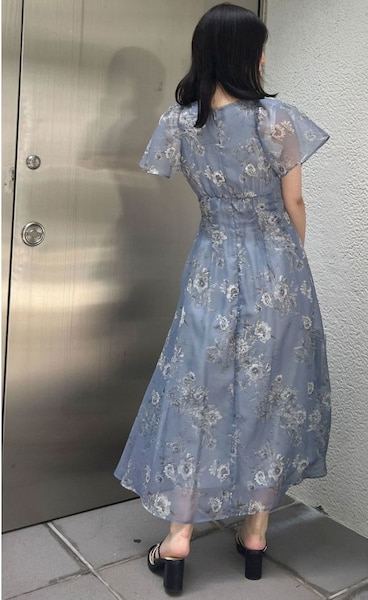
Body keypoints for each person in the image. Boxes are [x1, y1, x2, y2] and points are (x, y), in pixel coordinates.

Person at [114, 2, 331, 594]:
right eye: (260, 47)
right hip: (278, 271)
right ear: (247, 55)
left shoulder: (178, 123)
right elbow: (294, 204)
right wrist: (288, 264)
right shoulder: (277, 119)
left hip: (211, 268)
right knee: (274, 392)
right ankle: (256, 533)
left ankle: (179, 537)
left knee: (197, 391)